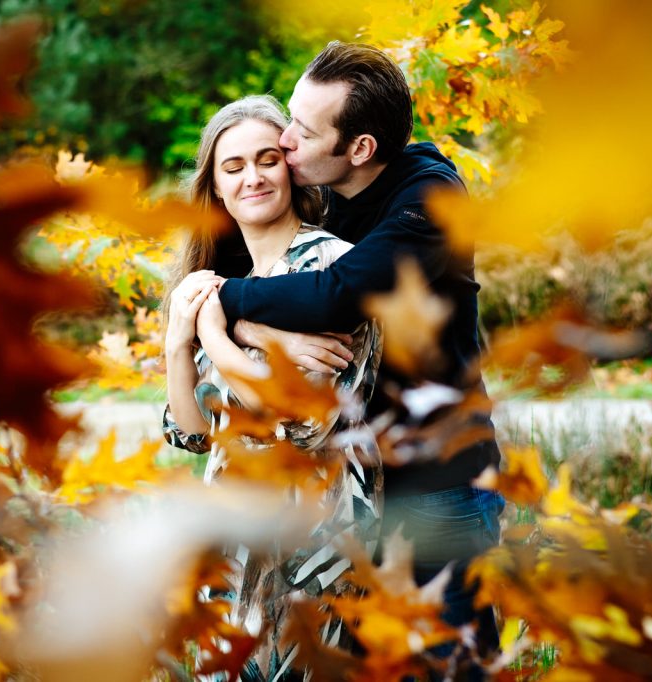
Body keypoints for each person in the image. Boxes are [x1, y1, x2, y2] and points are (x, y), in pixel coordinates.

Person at [215, 42, 505, 676]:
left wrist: (215, 300)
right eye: (290, 116)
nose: (286, 141)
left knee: (453, 664)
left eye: (303, 130)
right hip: (357, 494)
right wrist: (260, 332)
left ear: (361, 149)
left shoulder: (430, 201)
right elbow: (286, 280)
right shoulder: (330, 189)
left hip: (439, 484)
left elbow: (335, 295)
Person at [161, 94, 383, 680]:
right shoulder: (233, 288)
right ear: (215, 187)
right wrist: (176, 347)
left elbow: (302, 417)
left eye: (267, 159)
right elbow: (192, 433)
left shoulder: (331, 272)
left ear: (291, 166)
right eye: (233, 167)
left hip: (315, 543)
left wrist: (213, 335)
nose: (253, 177)